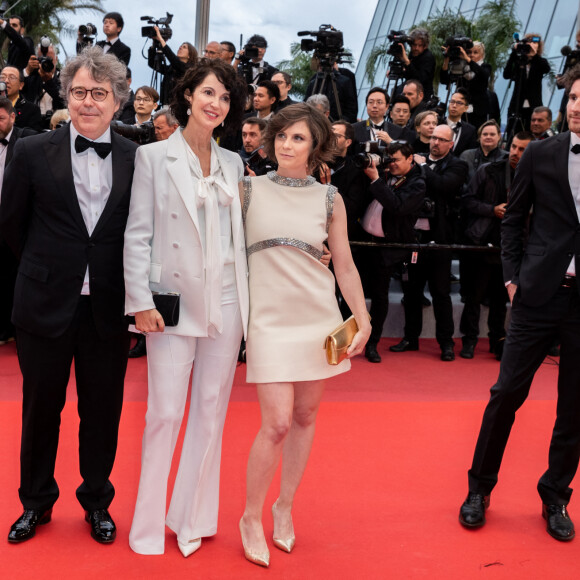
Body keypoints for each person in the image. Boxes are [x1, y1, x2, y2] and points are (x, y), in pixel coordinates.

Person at [0, 46, 136, 545]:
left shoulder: (137, 158)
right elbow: (10, 225)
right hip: (43, 304)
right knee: (40, 410)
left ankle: (97, 501)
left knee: (102, 411)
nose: (87, 102)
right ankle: (34, 502)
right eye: (78, 92)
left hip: (107, 307)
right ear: (67, 96)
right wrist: (45, 269)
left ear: (117, 101)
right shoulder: (32, 150)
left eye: (99, 94)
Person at [123, 59, 249, 557]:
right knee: (164, 414)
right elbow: (138, 234)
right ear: (188, 95)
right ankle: (148, 524)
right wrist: (139, 302)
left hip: (226, 301)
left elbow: (243, 237)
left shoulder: (234, 163)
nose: (215, 104)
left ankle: (192, 517)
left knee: (212, 412)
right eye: (208, 93)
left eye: (224, 98)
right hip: (171, 306)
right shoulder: (153, 157)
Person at [239, 103, 371, 567]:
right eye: (281, 136)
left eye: (297, 138)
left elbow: (346, 264)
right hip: (268, 321)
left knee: (306, 417)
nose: (286, 145)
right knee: (275, 422)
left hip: (317, 317)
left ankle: (284, 507)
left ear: (316, 147)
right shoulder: (247, 189)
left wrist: (363, 317)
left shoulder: (330, 199)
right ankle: (251, 515)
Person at [458, 66, 580, 542]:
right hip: (535, 297)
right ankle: (479, 490)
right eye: (572, 98)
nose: (575, 107)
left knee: (573, 408)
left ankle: (555, 497)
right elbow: (513, 221)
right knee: (506, 394)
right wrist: (512, 280)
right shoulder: (541, 153)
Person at [391, 124, 468, 361]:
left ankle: (446, 343)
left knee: (441, 293)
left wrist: (422, 165)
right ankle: (410, 338)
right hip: (413, 237)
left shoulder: (458, 165)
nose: (435, 142)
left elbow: (444, 186)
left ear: (451, 144)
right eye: (433, 137)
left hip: (440, 239)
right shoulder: (416, 160)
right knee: (411, 291)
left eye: (441, 139)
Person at [459, 132, 533, 360]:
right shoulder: (487, 170)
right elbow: (467, 200)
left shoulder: (535, 176)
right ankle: (469, 341)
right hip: (482, 242)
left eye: (522, 149)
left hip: (513, 247)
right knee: (474, 297)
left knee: (501, 300)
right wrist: (493, 210)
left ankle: (497, 341)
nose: (515, 153)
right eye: (513, 147)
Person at [360, 141, 426, 363]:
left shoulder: (417, 183)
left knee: (379, 296)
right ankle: (348, 338)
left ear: (410, 158)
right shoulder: (386, 174)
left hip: (388, 247)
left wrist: (376, 179)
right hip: (364, 242)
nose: (392, 164)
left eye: (396, 160)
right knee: (352, 293)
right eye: (390, 159)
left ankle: (372, 343)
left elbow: (397, 206)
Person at [503, 33, 550, 133]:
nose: (531, 45)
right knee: (515, 131)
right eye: (529, 42)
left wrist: (534, 54)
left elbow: (546, 69)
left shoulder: (540, 61)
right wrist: (514, 53)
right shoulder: (518, 61)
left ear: (539, 46)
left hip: (534, 104)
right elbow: (506, 74)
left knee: (532, 132)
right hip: (517, 104)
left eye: (534, 43)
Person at [440, 41, 491, 130]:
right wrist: (446, 59)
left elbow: (483, 75)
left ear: (482, 55)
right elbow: (444, 80)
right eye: (469, 52)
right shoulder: (461, 67)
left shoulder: (485, 66)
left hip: (478, 112)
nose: (471, 55)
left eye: (475, 52)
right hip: (461, 111)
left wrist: (468, 60)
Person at [149, 26, 197, 105]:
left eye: (184, 47)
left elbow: (173, 59)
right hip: (165, 104)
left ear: (190, 55)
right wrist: (153, 45)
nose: (180, 48)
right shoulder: (171, 68)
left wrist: (161, 39)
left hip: (178, 106)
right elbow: (152, 64)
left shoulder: (189, 69)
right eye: (180, 46)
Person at [1, 66, 44, 132]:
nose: (6, 81)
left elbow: (33, 137)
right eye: (2, 77)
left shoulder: (32, 109)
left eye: (12, 77)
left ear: (21, 85)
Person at [397, 28, 435, 99]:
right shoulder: (413, 54)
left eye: (420, 45)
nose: (416, 48)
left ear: (425, 46)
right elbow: (409, 74)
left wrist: (408, 62)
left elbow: (420, 79)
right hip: (411, 92)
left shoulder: (428, 57)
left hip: (423, 96)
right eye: (414, 45)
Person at [444, 88, 477, 156]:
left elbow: (470, 154)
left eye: (459, 103)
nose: (454, 105)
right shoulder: (437, 123)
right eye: (452, 102)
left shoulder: (470, 130)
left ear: (466, 108)